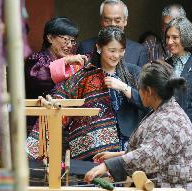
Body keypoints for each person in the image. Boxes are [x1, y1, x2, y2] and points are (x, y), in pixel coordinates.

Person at [26, 26, 145, 161]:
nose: (116, 55)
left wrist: (125, 88)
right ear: (99, 48)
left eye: (121, 51)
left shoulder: (133, 73)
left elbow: (150, 103)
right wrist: (34, 146)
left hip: (128, 145)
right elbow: (60, 102)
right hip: (93, 150)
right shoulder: (83, 75)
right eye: (112, 50)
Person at [84, 61, 192, 190]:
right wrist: (117, 155)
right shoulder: (165, 110)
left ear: (149, 91)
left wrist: (108, 165)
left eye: (139, 88)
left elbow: (149, 156)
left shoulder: (169, 120)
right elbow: (156, 149)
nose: (138, 92)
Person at [164, 17, 192, 187]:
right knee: (171, 180)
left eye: (175, 37)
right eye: (168, 37)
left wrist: (178, 129)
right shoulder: (165, 65)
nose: (170, 42)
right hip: (167, 134)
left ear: (187, 37)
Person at [25, 17, 88, 99]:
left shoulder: (72, 61)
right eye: (66, 39)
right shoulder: (36, 59)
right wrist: (65, 61)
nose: (69, 45)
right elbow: (39, 78)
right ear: (50, 38)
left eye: (72, 41)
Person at [77, 0, 148, 67]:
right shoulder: (85, 47)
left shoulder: (139, 51)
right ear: (101, 21)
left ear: (125, 21)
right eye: (107, 20)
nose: (112, 24)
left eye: (117, 21)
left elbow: (142, 79)